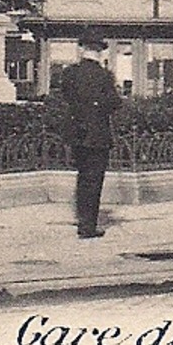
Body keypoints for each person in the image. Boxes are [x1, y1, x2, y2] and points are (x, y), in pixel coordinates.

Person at [60, 34, 123, 239]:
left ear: (82, 49)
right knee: (94, 180)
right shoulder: (104, 75)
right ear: (99, 51)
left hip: (77, 134)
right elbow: (114, 103)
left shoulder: (70, 73)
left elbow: (65, 98)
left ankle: (82, 221)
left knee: (82, 177)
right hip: (97, 135)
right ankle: (89, 226)